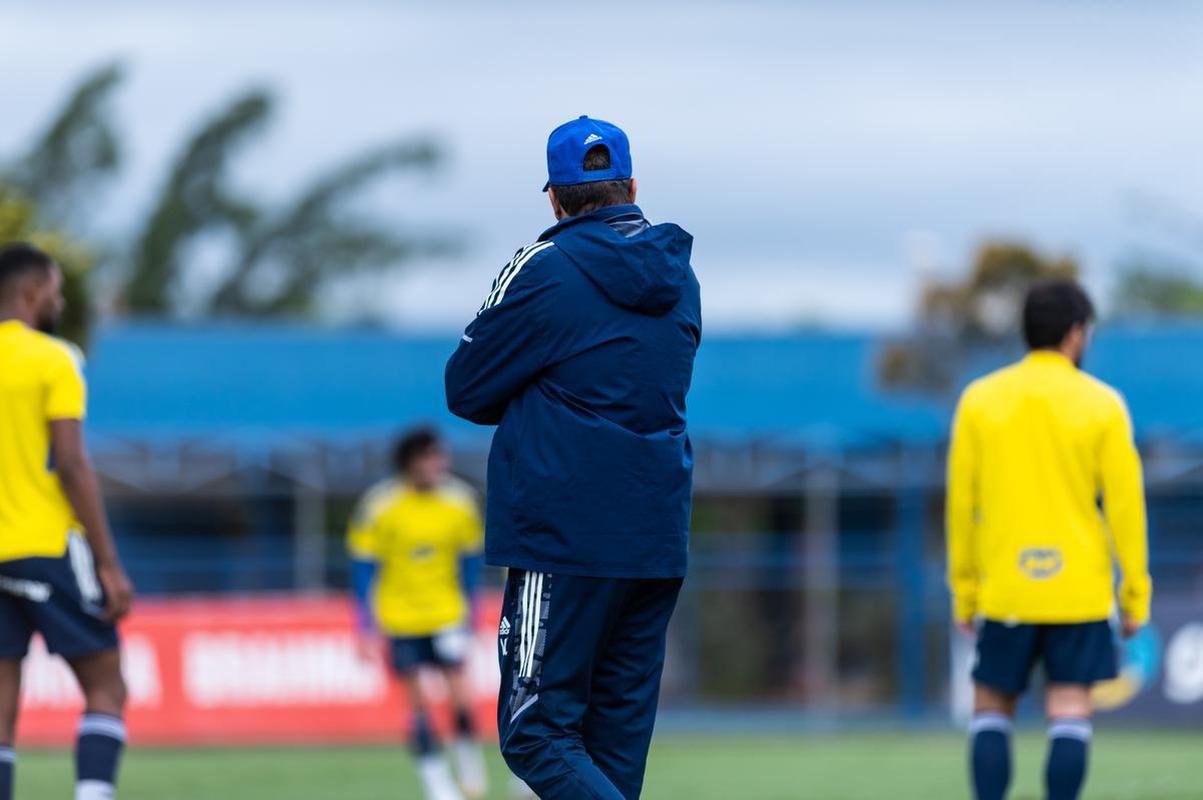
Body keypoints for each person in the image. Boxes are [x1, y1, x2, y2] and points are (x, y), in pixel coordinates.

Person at [445, 115, 701, 800]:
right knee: (611, 750)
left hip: (562, 532)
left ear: (554, 200)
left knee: (535, 731)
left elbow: (464, 387)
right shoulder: (681, 275)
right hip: (653, 532)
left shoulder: (543, 268)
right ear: (632, 188)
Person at [946, 280, 1151, 800]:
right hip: (1077, 591)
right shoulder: (1103, 404)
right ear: (1076, 334)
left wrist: (965, 592)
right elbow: (1126, 510)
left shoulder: (979, 400)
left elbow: (960, 505)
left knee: (992, 706)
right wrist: (1134, 597)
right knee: (1070, 709)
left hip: (1007, 587)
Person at [0, 243, 135, 800]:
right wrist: (108, 562)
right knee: (106, 685)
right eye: (55, 288)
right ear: (32, 292)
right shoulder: (54, 358)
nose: (58, 298)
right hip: (45, 545)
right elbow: (74, 464)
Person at [347, 427, 489, 800]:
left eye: (440, 456)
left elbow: (471, 565)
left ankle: (468, 757)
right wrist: (364, 626)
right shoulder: (380, 505)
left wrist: (470, 615)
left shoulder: (460, 501)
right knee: (418, 703)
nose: (438, 464)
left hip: (446, 614)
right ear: (410, 461)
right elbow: (363, 569)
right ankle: (436, 782)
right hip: (400, 618)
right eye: (430, 456)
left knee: (459, 692)